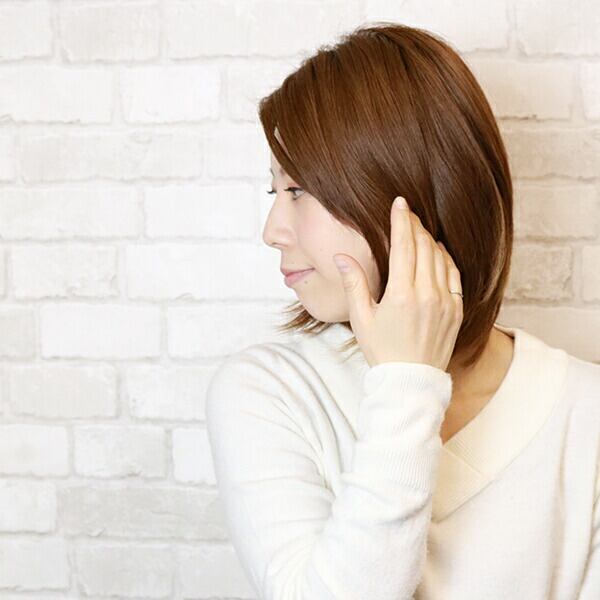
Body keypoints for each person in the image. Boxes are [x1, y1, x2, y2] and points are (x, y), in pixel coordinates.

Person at [205, 21, 600, 600]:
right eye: (275, 191)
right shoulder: (268, 392)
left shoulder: (585, 412)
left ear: (408, 190)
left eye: (299, 191)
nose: (273, 230)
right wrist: (406, 384)